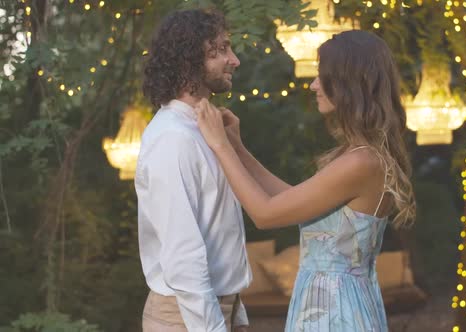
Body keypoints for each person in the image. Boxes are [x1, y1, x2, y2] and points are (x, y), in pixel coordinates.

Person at [196, 30, 416, 331]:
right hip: (332, 302)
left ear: (348, 83)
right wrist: (237, 147)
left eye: (321, 75)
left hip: (335, 310)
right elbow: (290, 200)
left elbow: (266, 214)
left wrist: (220, 145)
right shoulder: (360, 155)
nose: (313, 85)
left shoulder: (361, 162)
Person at [136, 9, 250, 332]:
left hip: (215, 309)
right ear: (190, 60)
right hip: (186, 318)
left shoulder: (204, 129)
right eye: (222, 49)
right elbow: (183, 256)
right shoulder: (171, 138)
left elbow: (220, 226)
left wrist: (237, 314)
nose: (235, 59)